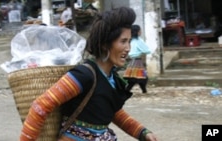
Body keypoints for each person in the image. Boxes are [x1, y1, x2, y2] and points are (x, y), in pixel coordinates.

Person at [19, 7, 158, 141]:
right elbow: (41, 106)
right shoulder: (83, 75)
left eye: (129, 41)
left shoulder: (113, 78)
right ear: (105, 44)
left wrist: (142, 132)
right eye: (123, 41)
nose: (128, 48)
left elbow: (111, 112)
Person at [123, 25, 151, 93]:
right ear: (137, 32)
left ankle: (142, 90)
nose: (141, 32)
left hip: (130, 60)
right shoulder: (138, 40)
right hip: (137, 61)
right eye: (140, 30)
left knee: (133, 77)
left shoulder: (129, 40)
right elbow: (146, 50)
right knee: (141, 77)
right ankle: (143, 90)